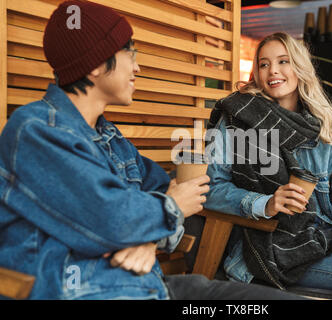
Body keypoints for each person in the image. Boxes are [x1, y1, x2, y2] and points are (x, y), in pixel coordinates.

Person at [0, 1, 306, 301]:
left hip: (155, 285)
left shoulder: (111, 139)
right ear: (95, 64)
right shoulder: (36, 131)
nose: (137, 66)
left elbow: (166, 190)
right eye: (129, 54)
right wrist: (168, 210)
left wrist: (148, 237)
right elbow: (113, 219)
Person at [204, 32, 332, 300]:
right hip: (269, 242)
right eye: (264, 64)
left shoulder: (322, 125)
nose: (273, 71)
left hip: (323, 230)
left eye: (283, 61)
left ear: (300, 67)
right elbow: (212, 190)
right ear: (256, 71)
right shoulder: (234, 116)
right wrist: (265, 203)